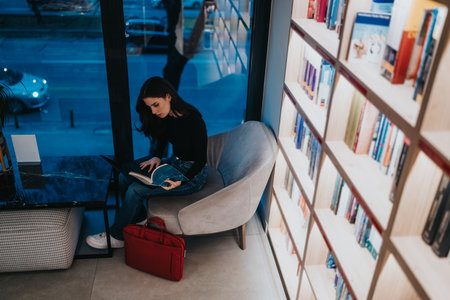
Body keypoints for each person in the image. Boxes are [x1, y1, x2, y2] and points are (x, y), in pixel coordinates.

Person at [86, 76, 208, 249]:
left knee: (136, 190)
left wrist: (180, 181)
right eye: (149, 107)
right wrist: (157, 156)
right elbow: (164, 138)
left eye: (155, 105)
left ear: (168, 96)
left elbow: (201, 161)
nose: (152, 111)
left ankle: (117, 236)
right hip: (173, 164)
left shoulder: (194, 121)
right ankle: (139, 217)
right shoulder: (168, 116)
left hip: (192, 176)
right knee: (123, 177)